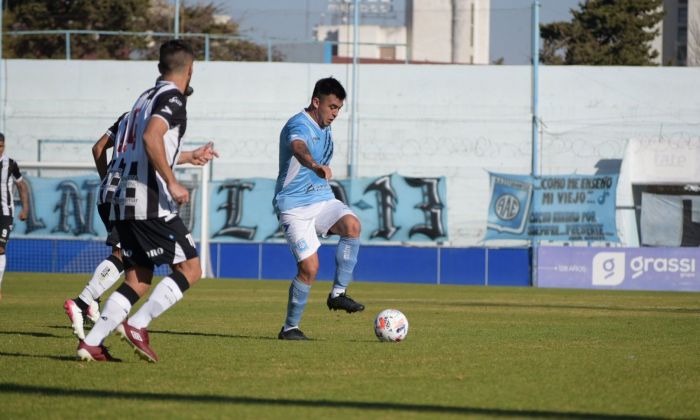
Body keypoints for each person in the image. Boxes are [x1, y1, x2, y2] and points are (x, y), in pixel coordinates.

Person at [77, 39, 215, 362]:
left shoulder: (142, 99)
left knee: (138, 277)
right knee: (192, 267)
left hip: (120, 199)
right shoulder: (174, 99)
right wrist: (172, 181)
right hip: (148, 200)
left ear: (159, 68)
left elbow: (145, 146)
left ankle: (92, 343)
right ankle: (137, 325)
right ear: (190, 70)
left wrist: (190, 155)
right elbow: (152, 138)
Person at [64, 100, 215, 340]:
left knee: (129, 260)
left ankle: (92, 309)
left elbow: (98, 148)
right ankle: (83, 302)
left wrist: (108, 179)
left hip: (110, 192)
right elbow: (155, 151)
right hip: (132, 194)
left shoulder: (126, 118)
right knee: (125, 256)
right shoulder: (152, 120)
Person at [273, 77, 365, 341]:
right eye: (332, 107)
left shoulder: (325, 126)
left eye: (338, 109)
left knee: (352, 226)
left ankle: (338, 294)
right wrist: (314, 166)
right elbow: (298, 147)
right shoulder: (298, 124)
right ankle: (290, 328)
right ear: (316, 102)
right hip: (293, 206)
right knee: (310, 269)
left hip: (321, 199)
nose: (335, 114)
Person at [0, 133, 29, 301]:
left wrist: (25, 208)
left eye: (1, 146)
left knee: (1, 248)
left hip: (5, 213)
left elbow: (21, 185)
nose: (0, 149)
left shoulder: (10, 164)